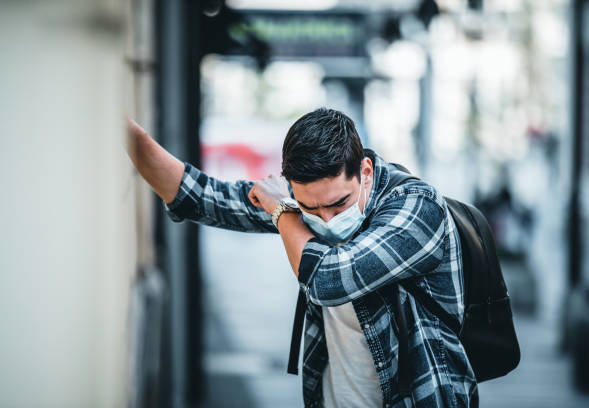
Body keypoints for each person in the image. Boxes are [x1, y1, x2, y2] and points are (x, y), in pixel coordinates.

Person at [126, 108, 478, 408]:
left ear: (365, 172)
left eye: (339, 203)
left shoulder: (417, 208)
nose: (325, 219)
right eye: (311, 207)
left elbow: (328, 280)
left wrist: (283, 212)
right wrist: (122, 129)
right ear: (290, 186)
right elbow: (199, 196)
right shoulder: (299, 209)